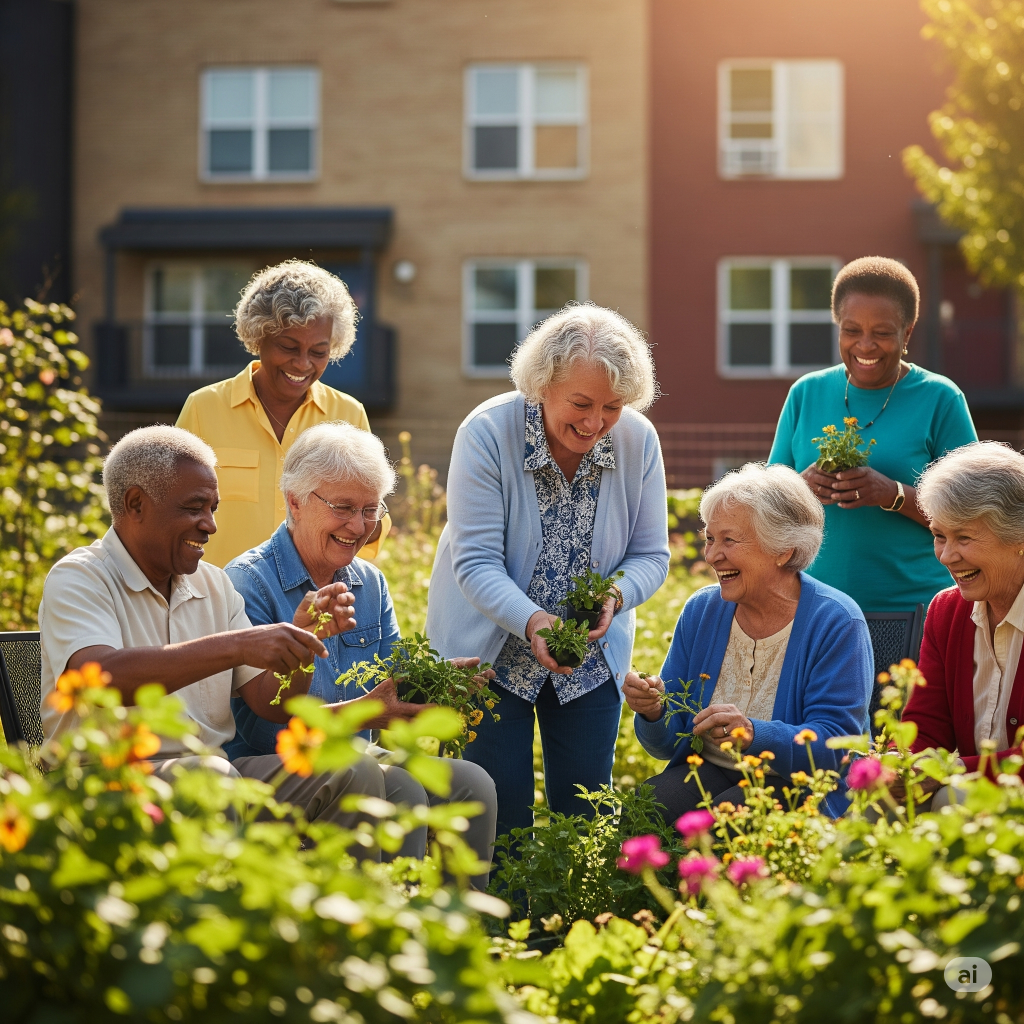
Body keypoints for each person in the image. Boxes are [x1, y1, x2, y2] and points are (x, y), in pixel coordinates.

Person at [38, 426, 415, 850]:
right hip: (106, 779)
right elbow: (99, 678)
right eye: (195, 508)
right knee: (213, 777)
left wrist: (303, 641)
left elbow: (271, 703)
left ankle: (351, 913)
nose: (211, 525)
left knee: (355, 772)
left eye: (214, 508)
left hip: (219, 776)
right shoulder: (81, 577)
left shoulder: (214, 586)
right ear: (136, 504)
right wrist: (237, 646)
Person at [426, 303, 670, 841]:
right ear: (541, 385)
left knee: (584, 817)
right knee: (494, 816)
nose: (594, 422)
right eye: (580, 403)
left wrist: (615, 595)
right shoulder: (488, 433)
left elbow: (653, 556)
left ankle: (580, 923)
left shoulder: (637, 441)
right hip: (488, 656)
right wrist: (534, 621)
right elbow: (476, 561)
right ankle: (500, 925)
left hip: (587, 658)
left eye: (612, 407)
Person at [224, 421, 498, 887]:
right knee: (404, 787)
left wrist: (433, 685)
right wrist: (369, 712)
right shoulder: (248, 583)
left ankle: (463, 939)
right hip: (275, 761)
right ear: (295, 501)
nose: (359, 527)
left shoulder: (368, 583)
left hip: (357, 753)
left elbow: (391, 675)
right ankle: (384, 939)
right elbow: (263, 729)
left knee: (474, 785)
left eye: (370, 509)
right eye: (344, 508)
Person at [624, 463, 873, 820]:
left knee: (728, 828)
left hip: (794, 781)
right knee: (645, 808)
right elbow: (667, 744)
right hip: (711, 768)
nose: (711, 556)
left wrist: (755, 734)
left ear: (783, 549)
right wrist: (653, 711)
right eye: (710, 538)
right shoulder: (702, 610)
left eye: (729, 540)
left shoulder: (835, 621)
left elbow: (837, 746)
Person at [769, 256, 977, 613]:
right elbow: (766, 502)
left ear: (907, 332)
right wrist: (800, 489)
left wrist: (891, 493)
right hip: (816, 611)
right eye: (852, 330)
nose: (865, 346)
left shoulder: (940, 398)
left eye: (882, 333)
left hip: (913, 609)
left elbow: (974, 514)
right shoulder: (806, 393)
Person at [176, 260, 389, 568]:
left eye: (318, 352)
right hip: (218, 602)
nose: (302, 364)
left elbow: (371, 520)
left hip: (310, 603)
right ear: (258, 336)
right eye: (288, 347)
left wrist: (351, 516)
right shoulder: (203, 408)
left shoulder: (348, 414)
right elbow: (171, 512)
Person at [898, 442, 1024, 807]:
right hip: (969, 784)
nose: (946, 556)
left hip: (987, 794)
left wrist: (949, 769)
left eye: (964, 537)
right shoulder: (947, 610)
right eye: (939, 535)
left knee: (952, 799)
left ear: (1018, 536)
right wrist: (899, 765)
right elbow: (925, 724)